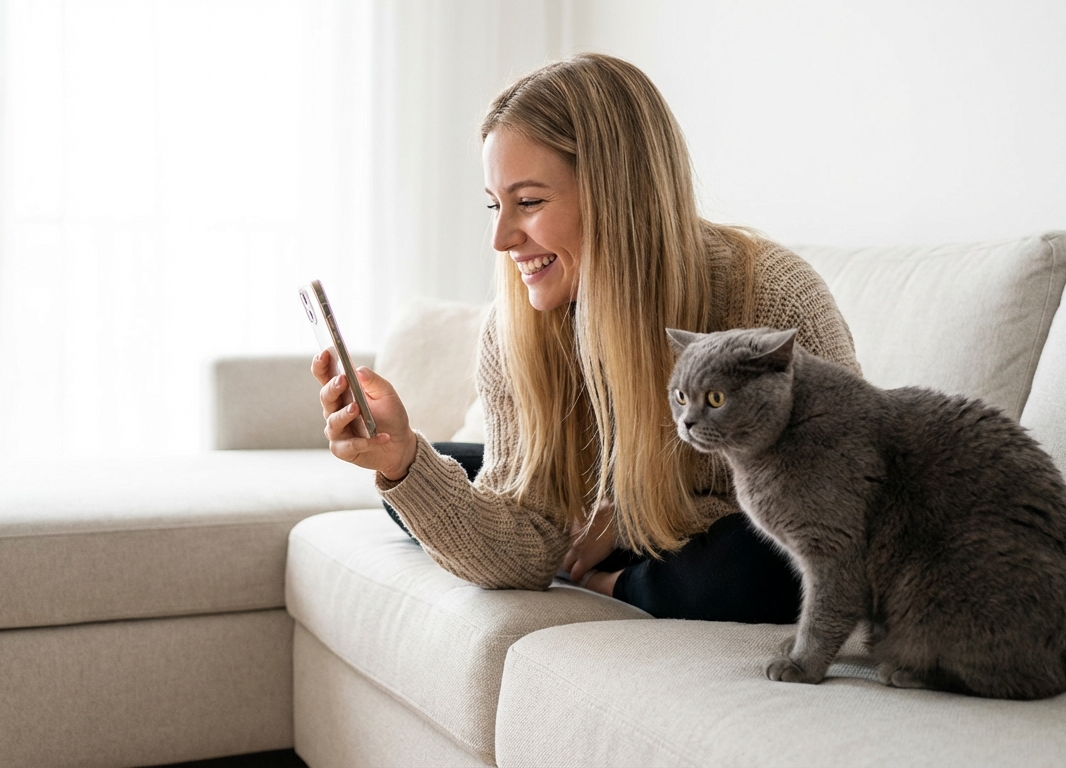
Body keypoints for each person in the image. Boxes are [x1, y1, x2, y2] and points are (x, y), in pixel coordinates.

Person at [313, 53, 859, 624]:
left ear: (619, 194)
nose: (500, 238)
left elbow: (837, 504)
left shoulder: (769, 296)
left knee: (755, 565)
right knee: (431, 473)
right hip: (600, 503)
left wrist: (626, 516)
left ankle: (618, 580)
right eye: (495, 204)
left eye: (528, 202)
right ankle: (589, 536)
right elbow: (519, 546)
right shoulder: (515, 327)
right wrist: (401, 463)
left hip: (718, 526)